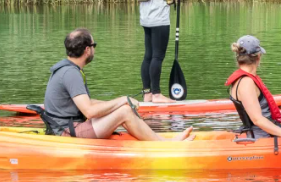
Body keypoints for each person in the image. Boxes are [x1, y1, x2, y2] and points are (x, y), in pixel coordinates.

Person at [42, 28, 194, 140]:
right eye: (94, 45)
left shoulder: (69, 69)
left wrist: (120, 104)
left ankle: (155, 138)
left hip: (68, 128)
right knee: (125, 112)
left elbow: (87, 103)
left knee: (124, 109)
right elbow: (89, 112)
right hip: (68, 132)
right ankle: (165, 145)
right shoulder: (71, 74)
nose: (94, 49)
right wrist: (122, 101)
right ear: (87, 50)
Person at [226, 36, 281, 139]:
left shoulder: (245, 79)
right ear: (258, 56)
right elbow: (257, 120)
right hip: (262, 137)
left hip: (264, 132)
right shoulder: (246, 82)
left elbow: (258, 116)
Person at [137, 0, 186, 102]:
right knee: (157, 57)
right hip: (159, 19)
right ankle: (157, 94)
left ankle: (147, 94)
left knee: (148, 56)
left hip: (147, 18)